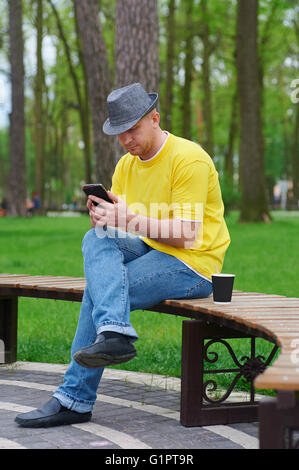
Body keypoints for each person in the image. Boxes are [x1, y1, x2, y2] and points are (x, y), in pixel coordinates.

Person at [15, 83, 230, 428]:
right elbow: (118, 233)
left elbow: (188, 235)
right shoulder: (126, 165)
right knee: (95, 239)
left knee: (102, 291)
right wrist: (102, 217)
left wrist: (127, 219)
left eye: (133, 129)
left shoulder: (188, 159)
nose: (127, 139)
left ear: (155, 119)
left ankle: (75, 397)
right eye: (120, 133)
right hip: (152, 248)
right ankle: (114, 335)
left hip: (194, 265)